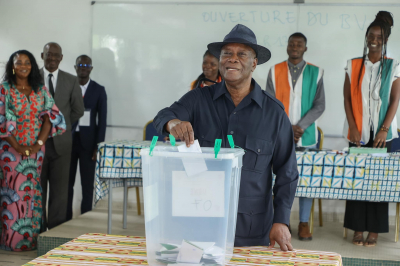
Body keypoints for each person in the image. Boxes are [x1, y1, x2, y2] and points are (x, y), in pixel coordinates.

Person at [154, 24, 298, 250]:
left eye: (241, 54)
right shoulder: (197, 100)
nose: (232, 59)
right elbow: (164, 115)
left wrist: (281, 220)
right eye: (227, 54)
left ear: (254, 63)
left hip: (251, 230)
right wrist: (173, 123)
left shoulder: (274, 114)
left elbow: (287, 173)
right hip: (198, 226)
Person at [343, 11, 400, 247]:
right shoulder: (352, 64)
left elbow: (395, 99)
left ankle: (374, 231)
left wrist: (384, 129)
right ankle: (358, 228)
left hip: (382, 136)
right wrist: (354, 127)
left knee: (377, 182)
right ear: (366, 38)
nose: (374, 39)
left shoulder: (393, 65)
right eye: (371, 35)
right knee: (358, 180)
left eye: (379, 36)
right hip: (357, 134)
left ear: (385, 40)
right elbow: (346, 98)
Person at [0, 50, 66, 251]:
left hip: (36, 153)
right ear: (12, 66)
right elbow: (2, 120)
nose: (23, 65)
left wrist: (38, 144)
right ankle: (10, 242)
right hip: (10, 152)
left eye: (27, 62)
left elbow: (51, 117)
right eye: (18, 62)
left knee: (32, 194)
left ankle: (31, 241)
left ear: (32, 65)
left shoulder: (40, 89)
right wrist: (19, 146)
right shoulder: (4, 89)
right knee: (12, 194)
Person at [265, 32, 325, 241]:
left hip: (307, 136)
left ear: (305, 48)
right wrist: (287, 127)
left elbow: (320, 105)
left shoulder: (316, 72)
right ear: (287, 46)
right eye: (292, 43)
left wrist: (299, 126)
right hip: (281, 134)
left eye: (299, 44)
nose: (295, 46)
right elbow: (269, 104)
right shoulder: (275, 71)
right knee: (280, 178)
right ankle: (282, 221)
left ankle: (304, 222)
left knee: (306, 180)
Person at [40, 42, 84, 231]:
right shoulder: (32, 78)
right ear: (42, 55)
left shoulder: (71, 80)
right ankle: (38, 231)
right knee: (37, 192)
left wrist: (59, 126)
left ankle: (54, 233)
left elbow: (78, 110)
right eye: (49, 55)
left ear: (61, 58)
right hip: (36, 145)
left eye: (56, 55)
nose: (52, 59)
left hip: (62, 145)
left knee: (60, 193)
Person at [67, 55, 107, 221]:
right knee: (66, 185)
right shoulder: (68, 86)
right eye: (80, 64)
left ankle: (85, 218)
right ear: (75, 67)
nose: (83, 67)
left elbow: (102, 120)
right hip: (68, 141)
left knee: (87, 185)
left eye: (86, 65)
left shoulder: (99, 90)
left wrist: (98, 146)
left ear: (91, 68)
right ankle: (65, 218)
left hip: (89, 145)